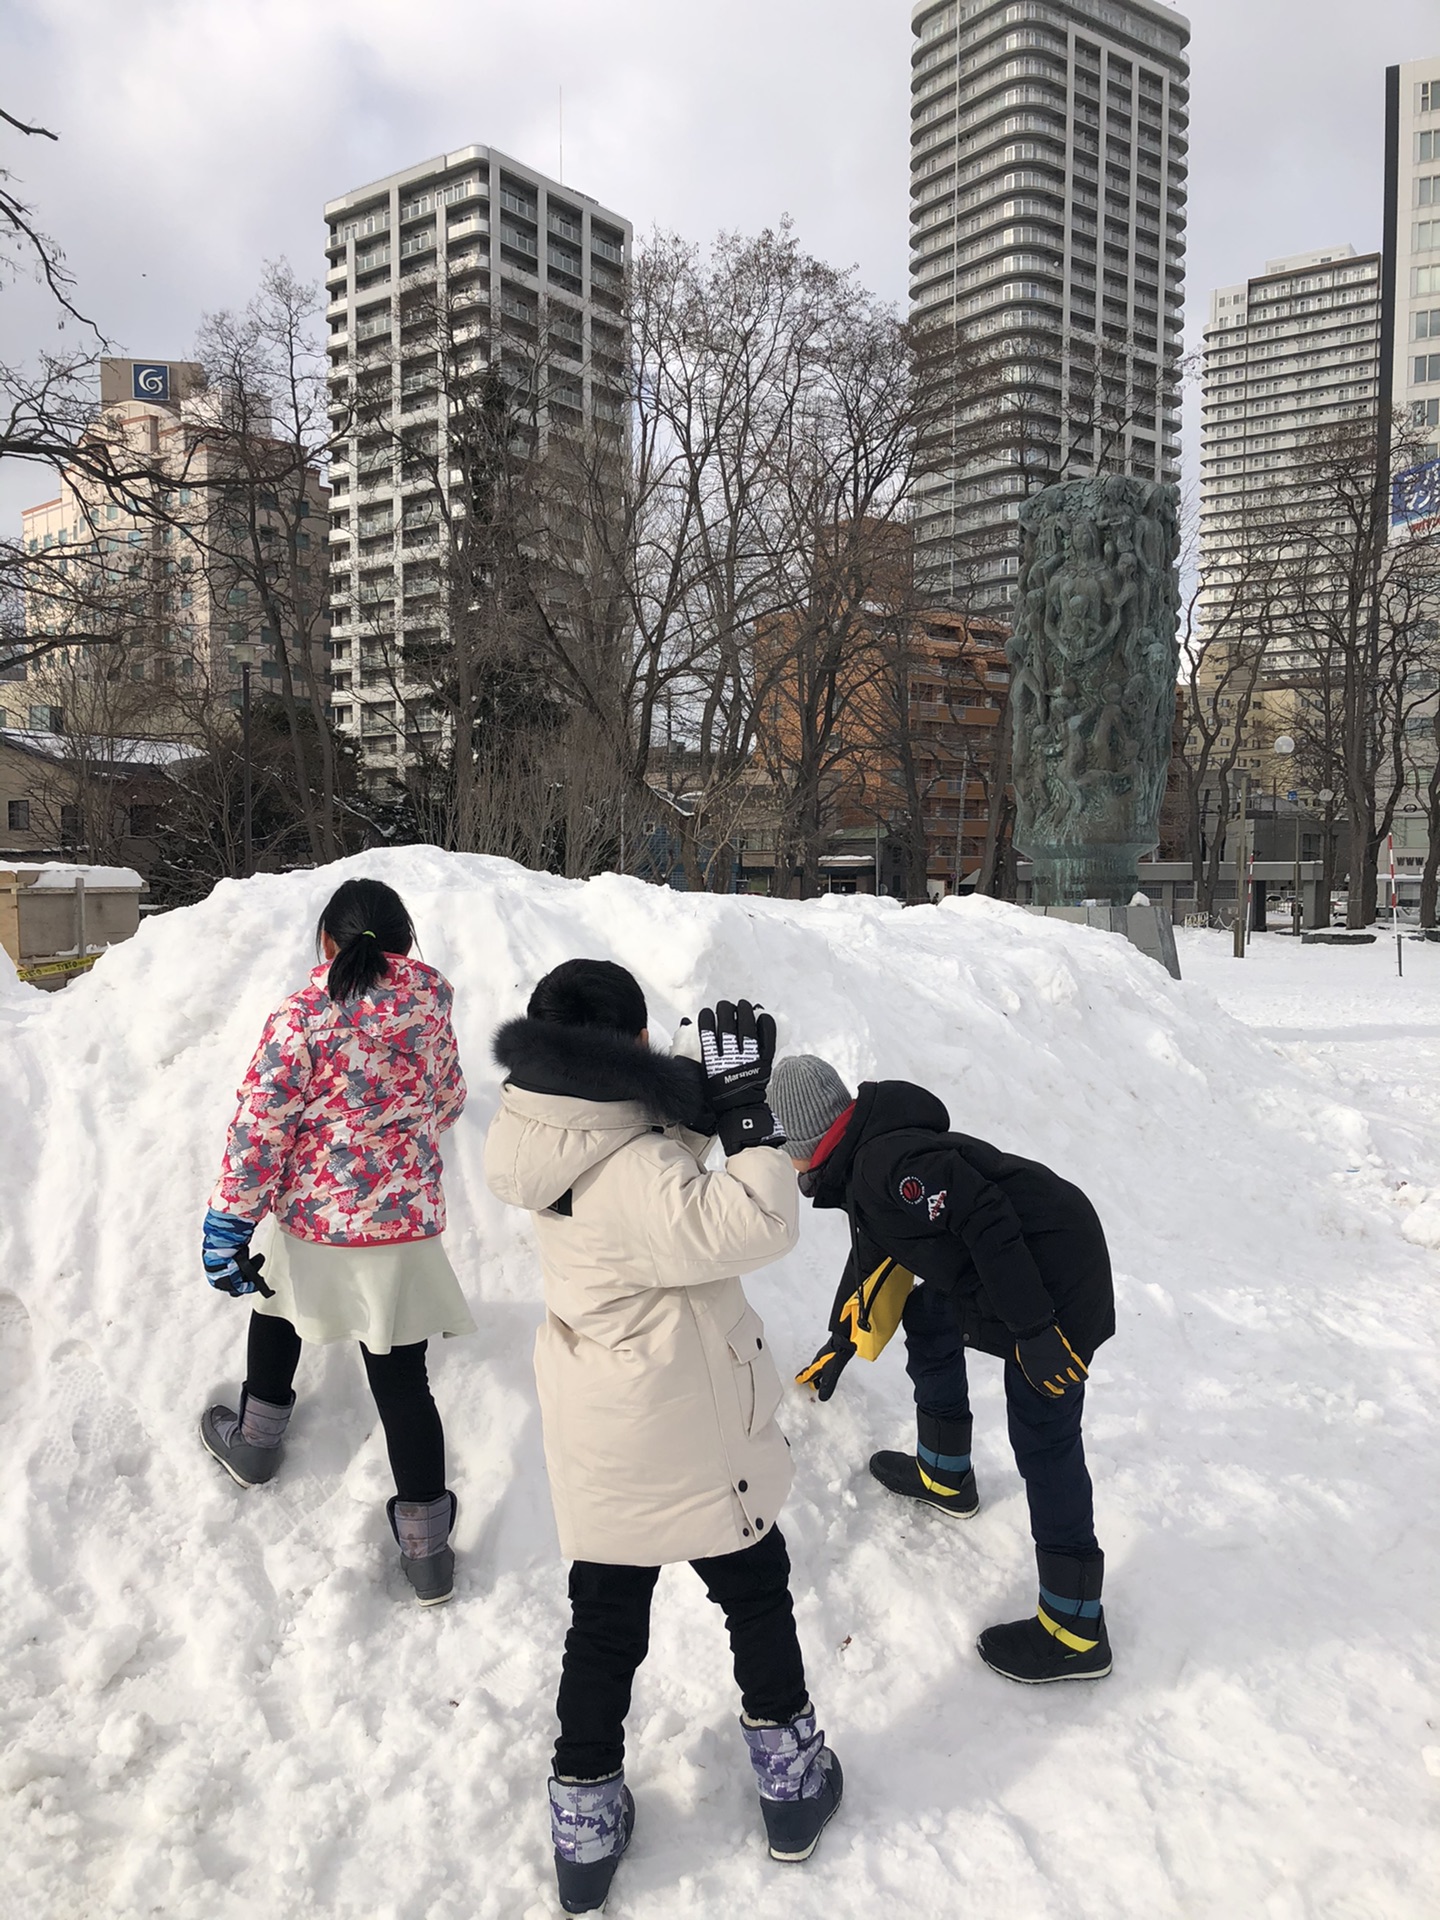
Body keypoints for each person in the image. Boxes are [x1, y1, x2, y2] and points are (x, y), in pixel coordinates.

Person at [484, 963, 841, 1917]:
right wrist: (748, 1124)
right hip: (686, 1420)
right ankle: (793, 1788)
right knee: (756, 1596)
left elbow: (636, 1136)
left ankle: (585, 1829)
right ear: (627, 1045)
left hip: (603, 1421)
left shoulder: (542, 1124)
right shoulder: (636, 1173)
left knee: (604, 1625)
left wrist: (698, 1093)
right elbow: (755, 1220)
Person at [772, 1055, 1116, 1686]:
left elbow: (986, 1218)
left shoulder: (886, 1165)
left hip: (1057, 1279)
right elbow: (879, 1259)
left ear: (807, 1143)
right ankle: (945, 1473)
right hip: (1026, 1272)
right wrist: (840, 1341)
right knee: (928, 1310)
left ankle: (1075, 1628)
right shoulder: (867, 1156)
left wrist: (1036, 1334)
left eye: (783, 1146)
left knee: (1044, 1439)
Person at [198, 876, 472, 1606]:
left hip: (315, 1222)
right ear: (403, 944)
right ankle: (427, 1554)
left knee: (277, 1309)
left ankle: (255, 1445)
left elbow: (262, 1123)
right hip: (402, 1231)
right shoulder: (431, 1014)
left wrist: (231, 1219)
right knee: (402, 1381)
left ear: (327, 940)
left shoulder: (302, 1016)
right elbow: (448, 1100)